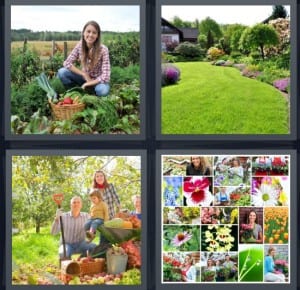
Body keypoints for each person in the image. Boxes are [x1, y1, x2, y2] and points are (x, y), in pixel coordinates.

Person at [57, 20, 110, 97]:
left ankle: (92, 93)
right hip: (84, 78)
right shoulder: (80, 46)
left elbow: (105, 76)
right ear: (83, 33)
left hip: (98, 82)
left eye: (94, 32)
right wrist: (84, 74)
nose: (90, 35)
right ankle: (76, 93)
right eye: (88, 31)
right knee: (62, 72)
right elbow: (67, 63)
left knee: (102, 91)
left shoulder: (103, 49)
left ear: (97, 35)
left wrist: (88, 83)